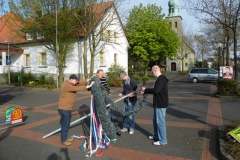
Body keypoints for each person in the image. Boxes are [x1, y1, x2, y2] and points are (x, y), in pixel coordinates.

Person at [58, 74, 94, 146]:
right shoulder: (67, 86)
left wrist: (88, 80)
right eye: (75, 81)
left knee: (67, 124)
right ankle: (63, 140)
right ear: (71, 79)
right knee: (65, 125)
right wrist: (88, 86)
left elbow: (79, 83)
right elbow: (77, 88)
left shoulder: (71, 83)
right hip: (64, 108)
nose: (76, 82)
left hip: (67, 108)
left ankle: (65, 137)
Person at [140, 65, 168, 146]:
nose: (152, 74)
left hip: (161, 104)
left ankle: (163, 140)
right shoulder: (158, 79)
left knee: (160, 122)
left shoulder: (161, 79)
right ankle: (156, 136)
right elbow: (154, 89)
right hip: (157, 104)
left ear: (155, 70)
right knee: (155, 121)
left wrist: (145, 90)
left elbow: (156, 90)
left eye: (152, 72)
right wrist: (145, 91)